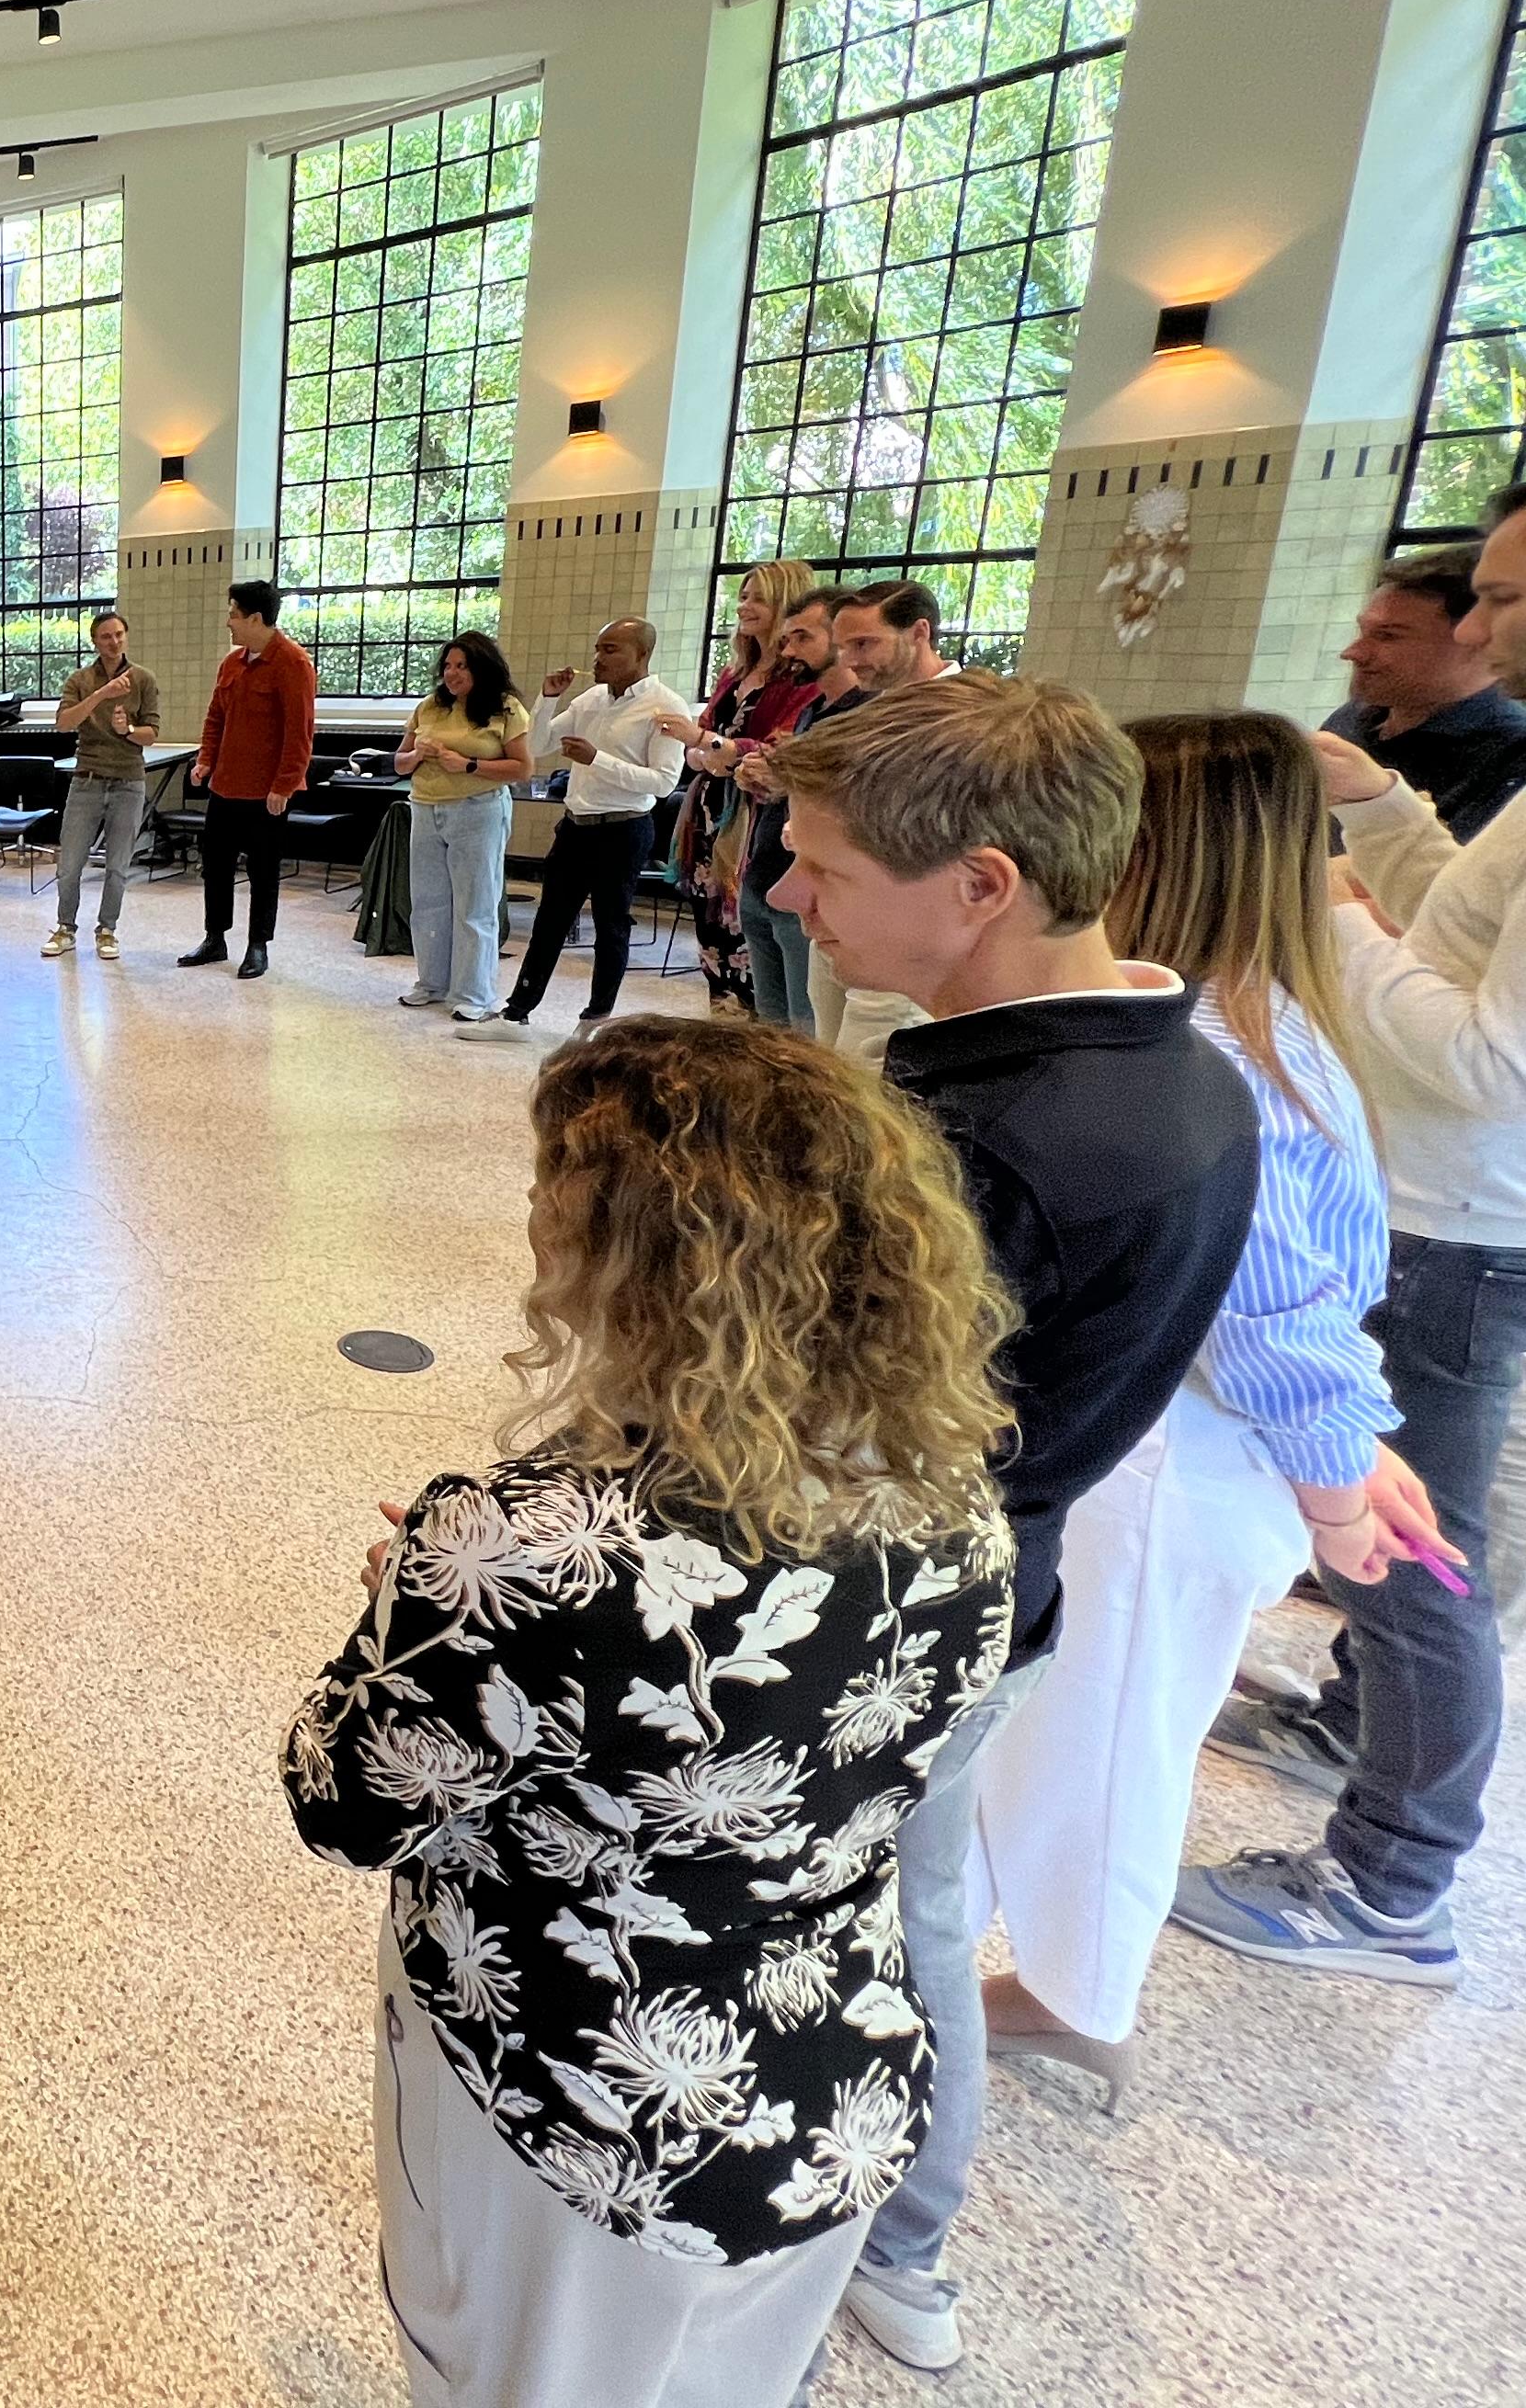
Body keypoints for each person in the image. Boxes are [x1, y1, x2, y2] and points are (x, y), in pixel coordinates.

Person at [287, 1017, 1017, 2408]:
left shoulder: (530, 1545)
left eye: (551, 1191)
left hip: (572, 2098)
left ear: (637, 1260)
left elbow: (341, 1801)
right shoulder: (956, 1501)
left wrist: (411, 1618)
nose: (531, 1220)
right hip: (834, 2081)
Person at [764, 673, 1260, 2376]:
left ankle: (881, 2243)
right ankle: (886, 2228)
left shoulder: (993, 1148)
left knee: (875, 1925)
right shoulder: (1177, 1065)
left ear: (981, 883)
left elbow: (814, 1426)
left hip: (893, 1611)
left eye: (822, 865)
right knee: (902, 1903)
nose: (786, 892)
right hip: (997, 1578)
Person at [968, 713, 1448, 2110]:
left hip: (1183, 1454)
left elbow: (1275, 1314)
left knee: (1111, 1740)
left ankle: (1078, 1996)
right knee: (1053, 1728)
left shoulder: (1222, 1057)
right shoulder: (1248, 1024)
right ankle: (999, 1946)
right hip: (1192, 1439)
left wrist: (1340, 1491)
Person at [1182, 483, 1526, 1987]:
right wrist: (1383, 813)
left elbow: (1491, 1059)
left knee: (1416, 1554)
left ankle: (1394, 1881)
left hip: (1472, 1221)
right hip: (1434, 1201)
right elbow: (1466, 924)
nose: (1490, 627)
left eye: (1504, 599)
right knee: (1388, 1537)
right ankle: (1345, 1723)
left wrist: (1314, 912)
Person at [458, 617, 687, 1045]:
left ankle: (595, 1020)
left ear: (642, 654)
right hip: (576, 826)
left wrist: (597, 758)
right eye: (598, 648)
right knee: (549, 922)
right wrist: (548, 698)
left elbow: (662, 783)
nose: (597, 658)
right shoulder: (592, 698)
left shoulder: (665, 706)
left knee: (611, 926)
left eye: (610, 649)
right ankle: (516, 1014)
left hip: (624, 828)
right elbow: (540, 745)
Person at [656, 562, 823, 1016]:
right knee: (711, 933)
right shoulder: (734, 673)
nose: (744, 607)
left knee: (748, 937)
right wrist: (705, 749)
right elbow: (704, 741)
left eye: (758, 598)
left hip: (755, 817)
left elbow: (777, 750)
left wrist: (709, 744)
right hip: (710, 813)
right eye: (743, 596)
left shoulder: (800, 681)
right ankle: (725, 1021)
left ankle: (756, 1034)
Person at [803, 581, 954, 1068]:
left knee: (868, 1074)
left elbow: (949, 831)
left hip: (903, 922)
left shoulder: (967, 714)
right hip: (839, 915)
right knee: (829, 1062)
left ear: (919, 632)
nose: (850, 661)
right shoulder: (876, 708)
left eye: (865, 644)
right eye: (843, 647)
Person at [1322, 547, 1526, 838]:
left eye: (1388, 636)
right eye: (1363, 632)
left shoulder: (1513, 762)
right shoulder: (1356, 716)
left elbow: (1451, 867)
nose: (1353, 652)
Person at [729, 591, 854, 1032]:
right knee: (771, 1024)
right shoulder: (812, 711)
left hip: (807, 890)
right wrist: (763, 780)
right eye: (786, 640)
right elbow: (795, 796)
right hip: (765, 875)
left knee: (808, 1026)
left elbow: (852, 803)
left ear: (839, 638)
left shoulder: (864, 715)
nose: (788, 652)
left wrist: (788, 780)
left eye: (802, 638)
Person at [182, 581, 319, 977]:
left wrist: (284, 785)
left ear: (255, 619)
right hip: (225, 785)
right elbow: (215, 718)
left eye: (233, 615)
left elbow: (300, 734)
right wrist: (205, 761)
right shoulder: (232, 664)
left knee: (263, 871)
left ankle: (258, 945)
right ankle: (215, 938)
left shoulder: (293, 663)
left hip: (266, 792)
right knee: (215, 866)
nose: (229, 622)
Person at [393, 630, 530, 1020]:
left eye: (462, 666)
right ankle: (432, 982)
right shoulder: (429, 706)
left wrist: (467, 764)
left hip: (478, 809)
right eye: (448, 666)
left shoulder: (506, 709)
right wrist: (416, 755)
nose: (452, 674)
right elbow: (399, 763)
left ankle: (474, 994)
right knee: (428, 901)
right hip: (426, 808)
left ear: (482, 668)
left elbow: (522, 769)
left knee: (475, 904)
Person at [48, 608, 165, 960]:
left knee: (117, 866)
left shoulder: (143, 679)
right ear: (95, 642)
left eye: (119, 635)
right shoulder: (80, 680)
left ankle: (107, 930)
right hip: (88, 780)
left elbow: (152, 734)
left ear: (125, 637)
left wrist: (127, 730)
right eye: (106, 637)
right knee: (70, 864)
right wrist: (103, 693)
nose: (114, 642)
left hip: (128, 781)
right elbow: (64, 723)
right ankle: (65, 928)